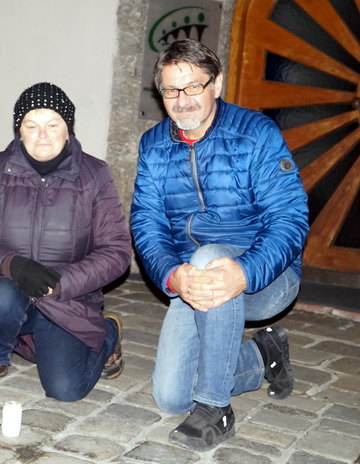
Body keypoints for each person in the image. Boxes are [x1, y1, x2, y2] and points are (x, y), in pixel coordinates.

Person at [131, 39, 309, 451]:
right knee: (172, 397)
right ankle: (264, 355)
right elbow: (147, 224)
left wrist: (245, 270)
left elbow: (290, 216)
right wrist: (174, 275)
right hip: (195, 276)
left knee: (212, 256)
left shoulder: (256, 133)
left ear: (217, 84)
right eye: (172, 90)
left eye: (194, 86)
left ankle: (216, 408)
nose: (183, 100)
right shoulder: (154, 145)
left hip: (267, 278)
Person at [0, 82, 132, 401]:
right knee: (2, 295)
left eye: (53, 125)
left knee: (65, 389)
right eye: (31, 125)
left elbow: (116, 251)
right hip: (4, 292)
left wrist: (63, 281)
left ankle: (107, 333)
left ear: (68, 130)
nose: (42, 135)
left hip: (65, 299)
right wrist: (12, 265)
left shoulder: (95, 174)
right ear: (19, 130)